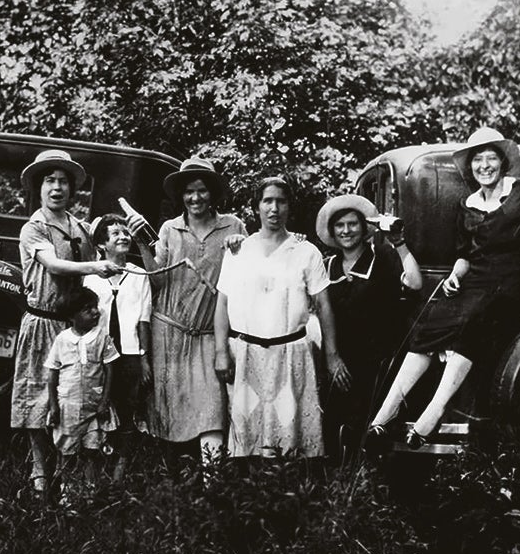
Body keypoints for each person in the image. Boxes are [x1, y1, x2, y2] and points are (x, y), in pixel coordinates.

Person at [367, 127, 520, 449]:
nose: (485, 166)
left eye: (491, 158)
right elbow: (465, 255)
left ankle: (434, 412)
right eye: (478, 160)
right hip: (477, 280)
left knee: (473, 320)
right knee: (430, 325)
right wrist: (455, 274)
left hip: (516, 282)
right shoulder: (468, 204)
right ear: (470, 166)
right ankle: (383, 418)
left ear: (503, 163)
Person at [12, 149, 123, 495]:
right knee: (37, 398)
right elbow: (54, 265)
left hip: (75, 328)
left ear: (72, 189)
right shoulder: (34, 228)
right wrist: (94, 267)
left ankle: (69, 474)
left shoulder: (79, 227)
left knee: (74, 398)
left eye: (63, 181)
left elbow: (99, 257)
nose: (57, 188)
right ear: (39, 187)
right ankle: (39, 473)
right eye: (50, 181)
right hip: (42, 322)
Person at [214, 177, 349, 459]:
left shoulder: (305, 251)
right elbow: (222, 302)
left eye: (281, 201)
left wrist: (332, 355)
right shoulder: (239, 250)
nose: (274, 208)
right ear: (257, 207)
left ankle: (288, 486)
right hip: (247, 354)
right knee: (247, 436)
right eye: (267, 201)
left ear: (289, 206)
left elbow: (323, 305)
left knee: (289, 436)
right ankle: (250, 486)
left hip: (291, 354)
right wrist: (220, 352)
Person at [125, 157, 246, 464]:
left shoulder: (233, 226)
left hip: (209, 334)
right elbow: (158, 280)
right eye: (189, 191)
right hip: (168, 333)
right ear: (181, 195)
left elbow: (248, 275)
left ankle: (212, 484)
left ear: (213, 193)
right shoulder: (170, 228)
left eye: (202, 190)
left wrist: (241, 246)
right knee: (167, 412)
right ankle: (170, 483)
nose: (195, 197)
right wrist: (141, 243)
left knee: (212, 411)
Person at [314, 194, 422, 462]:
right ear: (332, 231)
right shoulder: (328, 266)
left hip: (377, 362)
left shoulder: (382, 257)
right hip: (339, 361)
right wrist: (332, 359)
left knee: (372, 428)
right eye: (340, 226)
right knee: (335, 429)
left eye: (352, 224)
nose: (346, 231)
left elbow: (415, 283)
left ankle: (369, 480)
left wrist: (399, 244)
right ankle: (339, 480)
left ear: (363, 228)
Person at [45, 287, 120, 502]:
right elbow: (52, 374)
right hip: (68, 406)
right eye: (88, 309)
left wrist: (104, 401)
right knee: (67, 450)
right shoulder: (62, 339)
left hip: (94, 406)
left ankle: (90, 493)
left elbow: (109, 369)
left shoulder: (102, 337)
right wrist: (53, 405)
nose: (95, 312)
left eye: (95, 307)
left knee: (92, 450)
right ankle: (67, 493)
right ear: (72, 316)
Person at [85, 214, 152, 433]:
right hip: (99, 352)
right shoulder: (91, 276)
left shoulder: (139, 274)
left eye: (126, 232)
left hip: (130, 352)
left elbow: (143, 319)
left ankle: (125, 451)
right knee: (99, 402)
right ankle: (100, 447)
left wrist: (143, 358)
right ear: (101, 245)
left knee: (128, 404)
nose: (123, 237)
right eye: (115, 233)